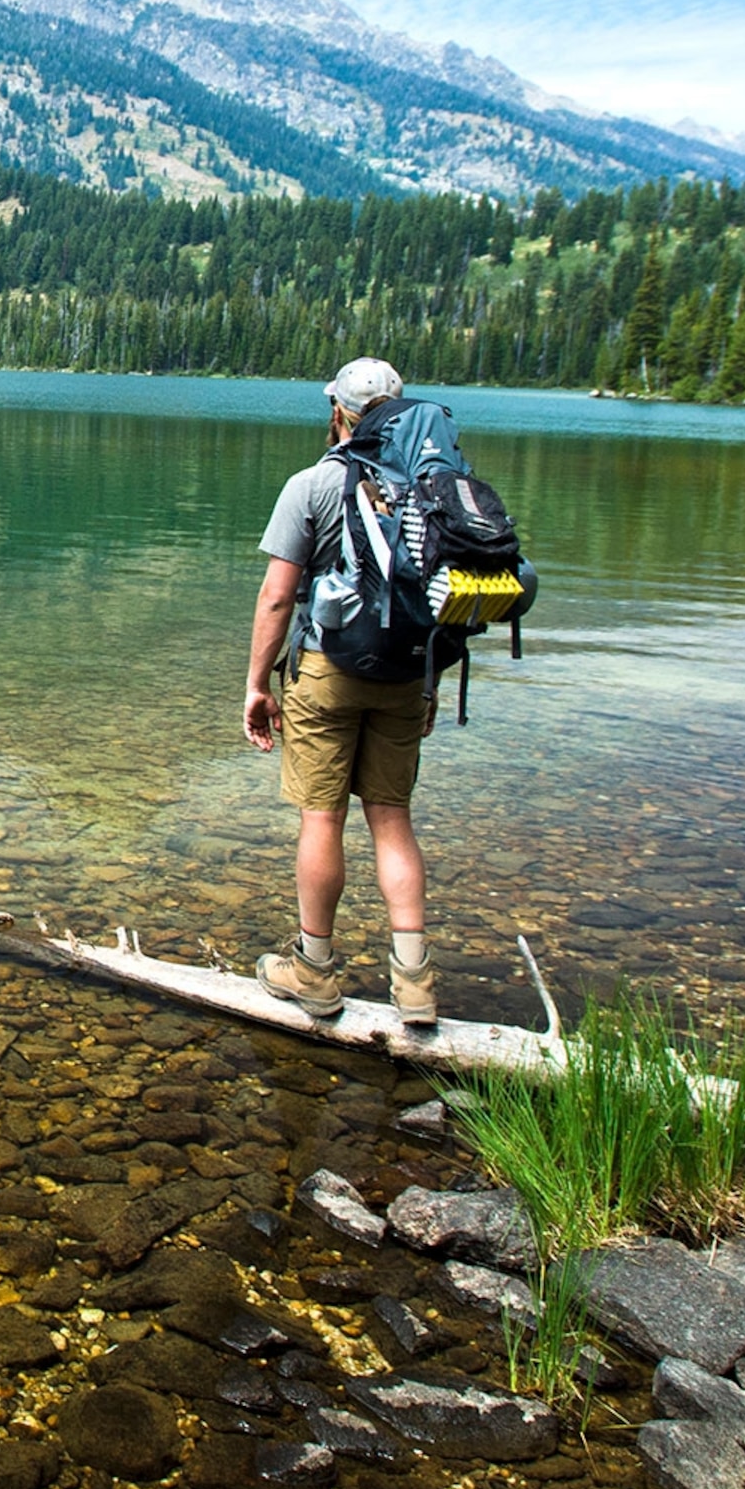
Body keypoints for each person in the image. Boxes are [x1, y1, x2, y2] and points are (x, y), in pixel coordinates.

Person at [240, 357, 441, 1027]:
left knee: (322, 818)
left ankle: (315, 973)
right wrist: (429, 687)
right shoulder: (428, 487)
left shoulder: (313, 485)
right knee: (392, 818)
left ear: (338, 412)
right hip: (406, 673)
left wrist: (255, 685)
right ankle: (414, 985)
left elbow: (275, 599)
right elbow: (436, 599)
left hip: (327, 672)